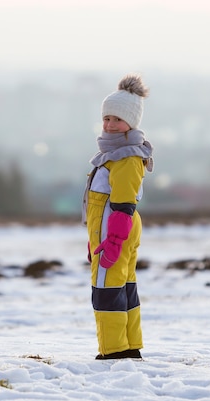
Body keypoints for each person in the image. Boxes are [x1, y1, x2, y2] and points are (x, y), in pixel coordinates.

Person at [82, 74, 154, 360]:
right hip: (111, 231)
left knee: (107, 288)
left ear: (131, 123)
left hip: (117, 230)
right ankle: (129, 344)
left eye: (117, 120)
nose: (110, 125)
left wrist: (112, 241)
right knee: (125, 285)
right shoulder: (118, 154)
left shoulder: (125, 158)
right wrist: (94, 239)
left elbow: (123, 205)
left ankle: (113, 350)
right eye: (106, 118)